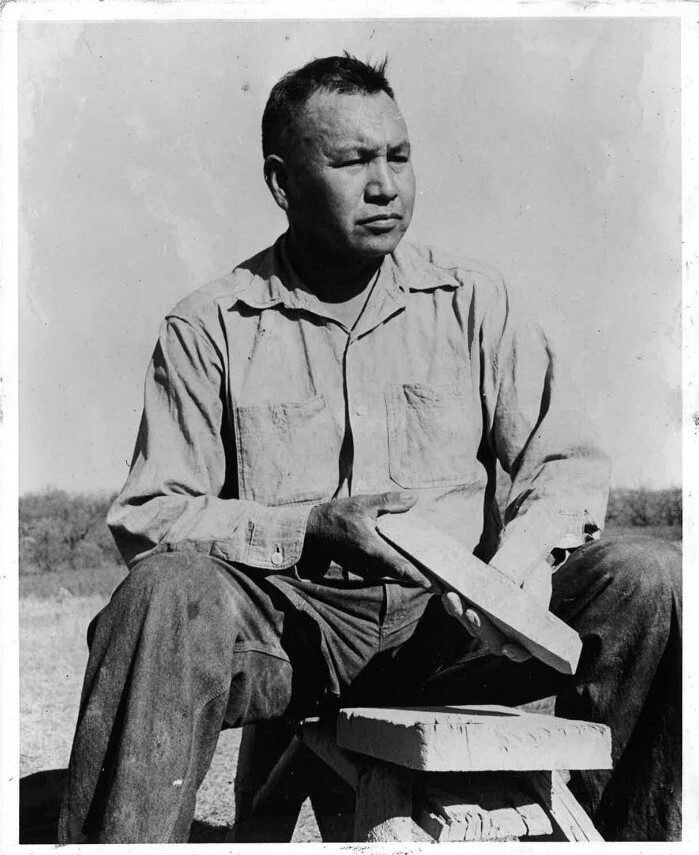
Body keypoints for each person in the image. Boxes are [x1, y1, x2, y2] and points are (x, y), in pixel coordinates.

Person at [58, 54, 681, 844]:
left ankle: (634, 841)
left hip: (457, 631)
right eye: (352, 161)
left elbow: (563, 465)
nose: (385, 184)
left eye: (398, 155)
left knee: (654, 576)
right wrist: (310, 525)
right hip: (298, 630)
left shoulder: (475, 301)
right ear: (282, 183)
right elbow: (148, 516)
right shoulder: (208, 324)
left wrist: (513, 569)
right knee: (162, 595)